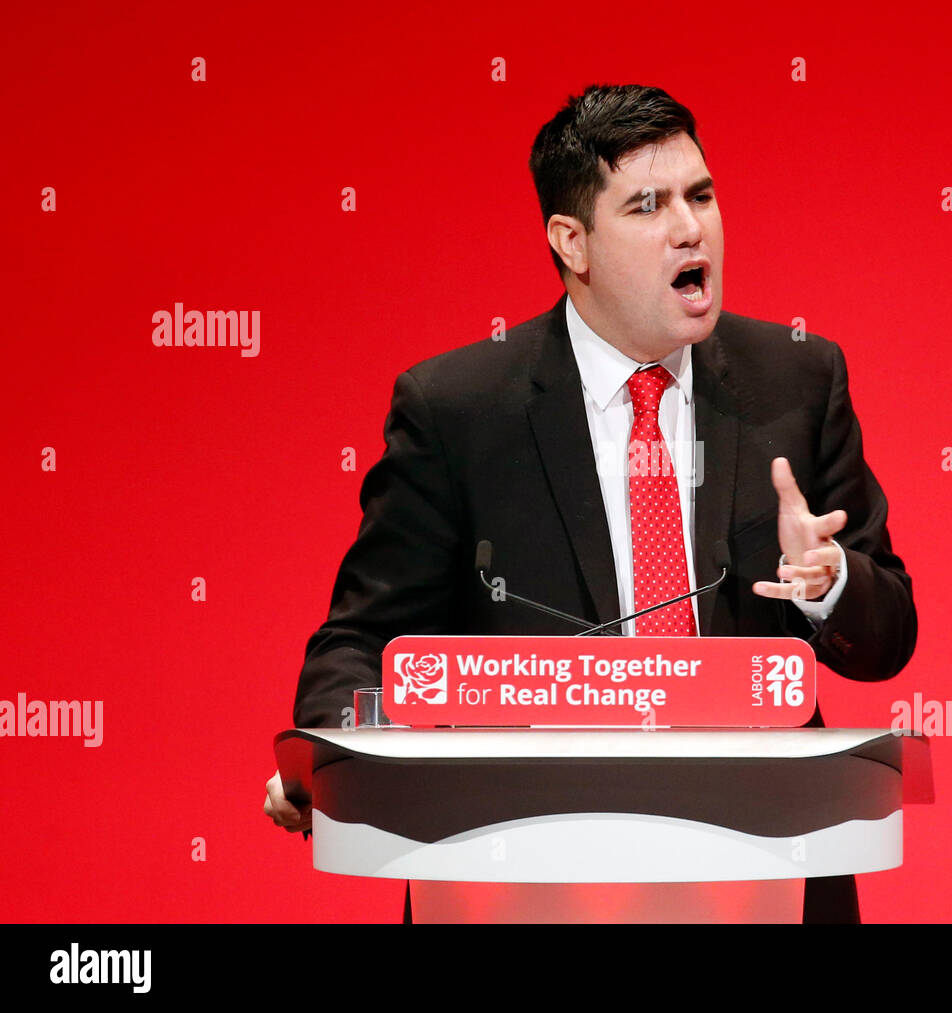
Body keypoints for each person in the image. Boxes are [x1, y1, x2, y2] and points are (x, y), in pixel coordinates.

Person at [265, 83, 918, 923]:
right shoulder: (460, 409)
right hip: (525, 874)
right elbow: (362, 640)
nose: (691, 227)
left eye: (702, 195)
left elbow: (887, 635)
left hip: (762, 868)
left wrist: (829, 580)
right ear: (571, 240)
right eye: (648, 205)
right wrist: (334, 761)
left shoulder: (795, 379)